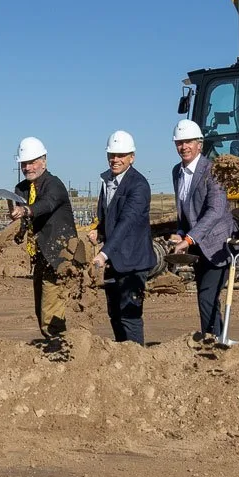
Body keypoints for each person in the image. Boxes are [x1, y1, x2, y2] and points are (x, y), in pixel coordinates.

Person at [170, 119, 236, 341]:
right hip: (197, 244)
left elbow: (216, 211)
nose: (184, 147)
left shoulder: (212, 170)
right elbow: (184, 211)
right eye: (179, 142)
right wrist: (180, 232)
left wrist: (188, 239)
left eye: (188, 142)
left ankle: (213, 340)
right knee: (206, 297)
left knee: (207, 296)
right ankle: (217, 339)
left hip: (217, 245)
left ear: (199, 144)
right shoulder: (176, 172)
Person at [9, 136, 74, 340]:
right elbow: (25, 219)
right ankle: (53, 342)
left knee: (51, 309)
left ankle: (59, 347)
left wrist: (26, 210)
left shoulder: (54, 185)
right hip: (40, 255)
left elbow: (46, 204)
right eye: (24, 163)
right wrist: (19, 230)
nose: (28, 167)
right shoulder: (22, 189)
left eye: (32, 162)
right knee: (41, 307)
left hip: (58, 256)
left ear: (44, 160)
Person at [93, 130, 153, 344]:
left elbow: (126, 222)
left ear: (131, 157)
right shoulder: (107, 180)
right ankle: (122, 358)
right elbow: (110, 216)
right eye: (112, 155)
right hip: (114, 262)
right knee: (115, 314)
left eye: (121, 155)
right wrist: (99, 231)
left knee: (130, 315)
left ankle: (136, 360)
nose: (115, 159)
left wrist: (103, 253)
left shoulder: (138, 185)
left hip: (132, 261)